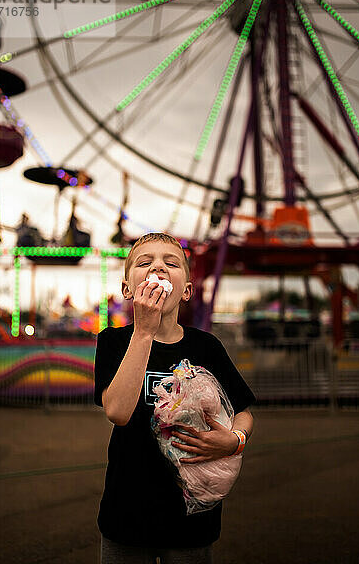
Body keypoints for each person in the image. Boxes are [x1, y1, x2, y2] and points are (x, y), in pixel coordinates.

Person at [94, 232, 256, 564]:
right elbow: (118, 412)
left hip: (192, 515)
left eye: (171, 262)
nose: (158, 268)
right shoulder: (113, 341)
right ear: (127, 289)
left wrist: (234, 441)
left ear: (186, 291)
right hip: (127, 512)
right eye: (145, 262)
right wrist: (144, 331)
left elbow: (243, 412)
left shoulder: (206, 346)